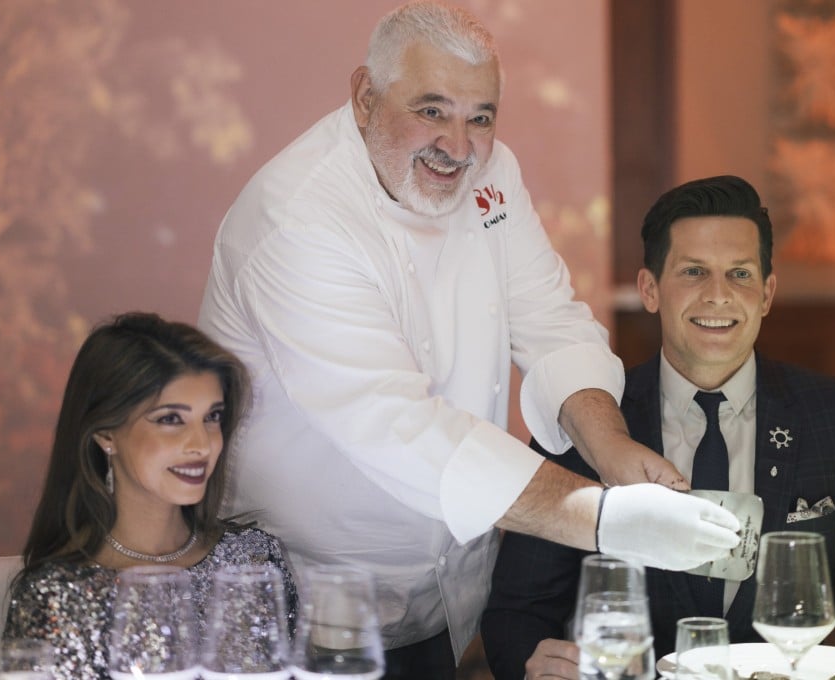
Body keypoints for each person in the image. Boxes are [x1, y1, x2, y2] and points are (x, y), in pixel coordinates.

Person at [197, 2, 741, 675]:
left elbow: (550, 320)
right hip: (303, 605)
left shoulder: (493, 175)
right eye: (431, 110)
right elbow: (397, 423)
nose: (458, 146)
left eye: (479, 116)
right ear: (365, 97)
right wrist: (603, 518)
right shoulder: (299, 220)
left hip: (445, 600)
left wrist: (611, 449)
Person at [481, 175, 835, 679]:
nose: (719, 295)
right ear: (650, 290)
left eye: (740, 274)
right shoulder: (586, 421)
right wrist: (533, 662)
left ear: (766, 293)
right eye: (695, 272)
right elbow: (517, 611)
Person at [3, 312, 298, 680]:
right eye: (171, 419)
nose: (201, 444)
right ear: (105, 434)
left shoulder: (254, 560)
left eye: (213, 416)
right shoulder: (58, 595)